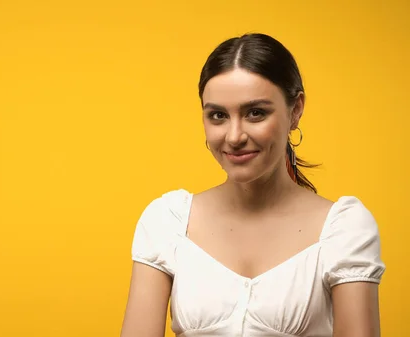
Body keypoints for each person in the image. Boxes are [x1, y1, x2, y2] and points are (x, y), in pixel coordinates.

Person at [120, 33, 385, 337]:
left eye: (255, 113)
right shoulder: (167, 222)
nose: (234, 136)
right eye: (218, 115)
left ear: (295, 109)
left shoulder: (345, 229)